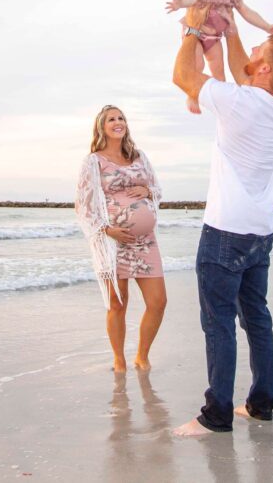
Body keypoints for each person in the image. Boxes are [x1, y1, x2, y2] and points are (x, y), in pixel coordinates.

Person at [170, 19, 273, 436]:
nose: (250, 56)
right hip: (260, 231)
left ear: (264, 69)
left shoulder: (240, 103)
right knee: (257, 319)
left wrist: (193, 31)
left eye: (257, 52)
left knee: (219, 323)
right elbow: (241, 68)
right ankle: (261, 405)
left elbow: (182, 77)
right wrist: (228, 26)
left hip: (226, 232)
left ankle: (216, 416)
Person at [75, 105, 167, 373]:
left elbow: (157, 188)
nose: (118, 122)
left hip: (145, 241)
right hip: (112, 243)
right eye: (111, 119)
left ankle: (142, 355)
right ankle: (119, 360)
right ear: (101, 127)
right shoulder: (93, 161)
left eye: (121, 118)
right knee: (117, 304)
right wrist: (106, 229)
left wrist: (148, 190)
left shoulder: (139, 156)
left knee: (158, 302)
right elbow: (83, 205)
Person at [165, 0, 273, 114]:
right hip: (195, 31)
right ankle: (192, 95)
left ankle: (221, 100)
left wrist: (266, 26)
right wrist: (179, 3)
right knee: (197, 64)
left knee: (218, 67)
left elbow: (247, 12)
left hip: (214, 37)